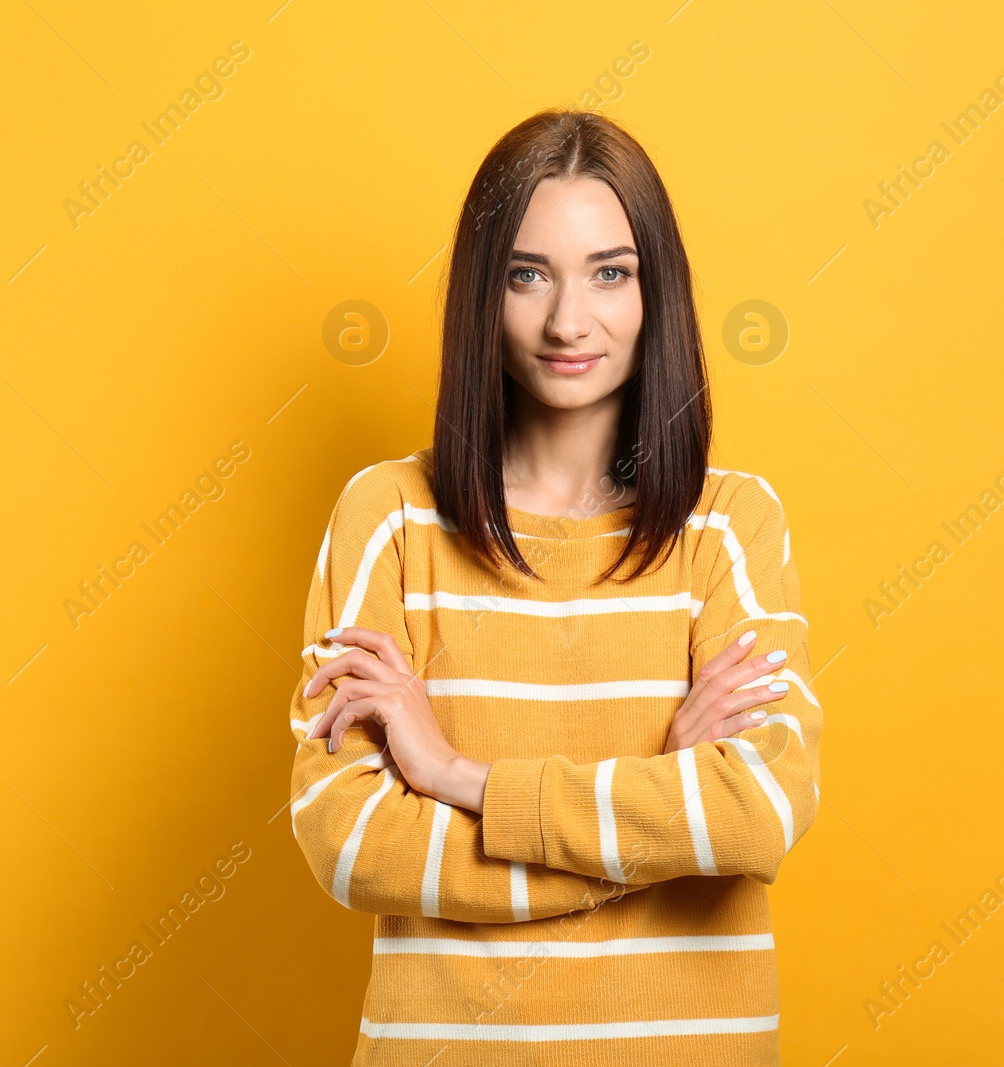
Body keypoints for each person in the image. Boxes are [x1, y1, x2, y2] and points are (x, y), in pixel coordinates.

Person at [289, 107, 820, 1066]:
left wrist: (460, 779)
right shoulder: (391, 518)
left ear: (657, 290)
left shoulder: (730, 525)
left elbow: (759, 810)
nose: (568, 320)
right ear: (480, 295)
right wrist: (660, 813)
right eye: (527, 274)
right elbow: (353, 840)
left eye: (610, 272)